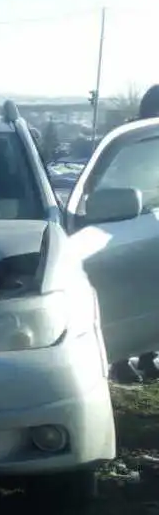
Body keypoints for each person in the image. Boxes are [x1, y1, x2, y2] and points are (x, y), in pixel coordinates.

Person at [110, 83, 159, 384]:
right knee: (126, 294)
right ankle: (119, 360)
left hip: (152, 222)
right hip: (128, 223)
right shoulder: (132, 140)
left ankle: (147, 355)